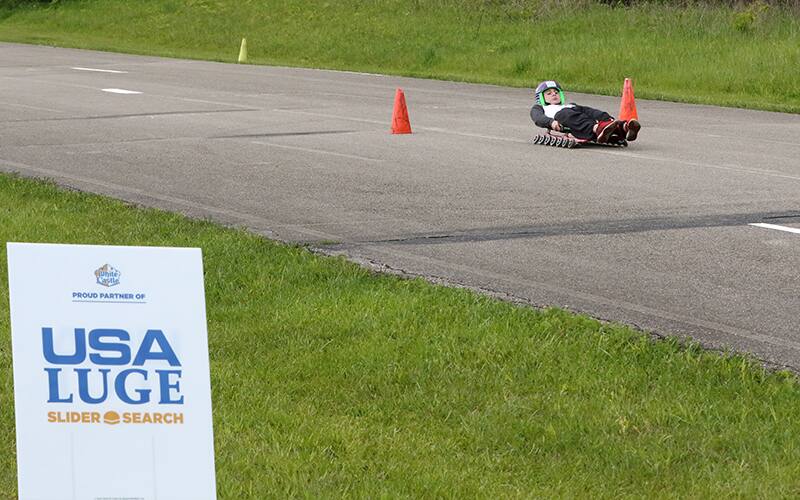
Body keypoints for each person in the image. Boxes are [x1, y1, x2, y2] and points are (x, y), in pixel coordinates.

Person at [530, 80, 640, 143]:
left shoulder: (570, 105)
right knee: (565, 113)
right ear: (541, 98)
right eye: (549, 93)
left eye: (556, 92)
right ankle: (598, 129)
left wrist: (605, 117)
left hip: (576, 117)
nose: (554, 94)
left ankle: (623, 127)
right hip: (562, 120)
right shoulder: (541, 108)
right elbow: (538, 118)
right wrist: (551, 123)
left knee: (589, 111)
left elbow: (588, 111)